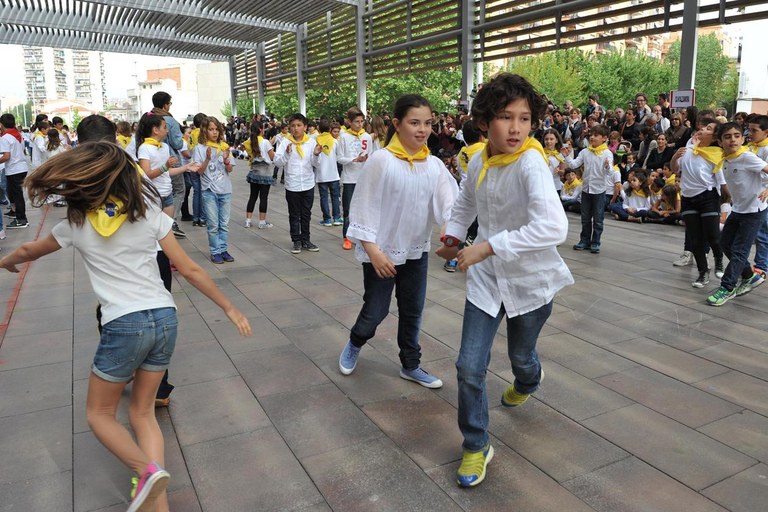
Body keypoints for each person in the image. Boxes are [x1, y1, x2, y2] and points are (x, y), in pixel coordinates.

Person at [0, 142, 252, 512]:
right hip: (165, 318)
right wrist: (229, 308)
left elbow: (28, 252)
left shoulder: (76, 221)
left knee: (99, 415)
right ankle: (157, 502)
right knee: (143, 413)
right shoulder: (147, 210)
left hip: (123, 324)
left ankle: (144, 470)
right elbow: (191, 268)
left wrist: (5, 261)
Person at [435, 73, 572, 488]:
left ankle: (529, 380)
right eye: (505, 117)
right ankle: (476, 444)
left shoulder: (531, 162)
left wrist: (488, 246)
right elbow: (463, 204)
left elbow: (554, 227)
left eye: (525, 119)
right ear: (483, 122)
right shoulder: (479, 160)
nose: (515, 128)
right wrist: (453, 237)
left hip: (530, 283)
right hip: (485, 283)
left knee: (521, 359)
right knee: (468, 366)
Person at [338, 94, 458, 389]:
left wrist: (449, 233)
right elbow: (363, 206)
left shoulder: (433, 165)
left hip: (416, 251)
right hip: (382, 252)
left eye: (428, 123)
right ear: (397, 124)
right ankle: (355, 341)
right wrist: (373, 251)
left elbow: (450, 203)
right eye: (414, 122)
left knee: (412, 310)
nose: (422, 129)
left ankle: (411, 364)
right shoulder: (382, 160)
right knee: (376, 311)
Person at [705, 123, 768, 305]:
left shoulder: (747, 157)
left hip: (754, 210)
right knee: (725, 243)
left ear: (742, 139)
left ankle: (727, 287)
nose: (732, 139)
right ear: (720, 141)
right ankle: (749, 276)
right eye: (727, 136)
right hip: (738, 209)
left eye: (736, 135)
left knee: (740, 250)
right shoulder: (724, 158)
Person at [671, 117, 727, 287]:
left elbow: (722, 181)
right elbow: (675, 169)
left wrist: (727, 198)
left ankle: (718, 258)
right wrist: (675, 156)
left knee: (712, 235)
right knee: (695, 239)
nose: (703, 129)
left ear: (715, 137)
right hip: (688, 198)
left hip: (708, 198)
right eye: (704, 127)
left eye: (709, 129)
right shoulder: (688, 149)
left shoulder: (716, 154)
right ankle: (703, 272)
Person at [273, 113, 321, 254]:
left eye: (299, 125)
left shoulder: (311, 142)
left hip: (307, 183)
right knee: (294, 214)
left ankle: (306, 240)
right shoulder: (285, 142)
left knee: (306, 214)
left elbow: (315, 164)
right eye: (293, 126)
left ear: (305, 127)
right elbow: (277, 162)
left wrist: (317, 154)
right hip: (292, 184)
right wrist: (287, 154)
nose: (296, 129)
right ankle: (296, 241)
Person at [563, 124, 614, 253]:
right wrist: (567, 156)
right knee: (585, 218)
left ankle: (595, 242)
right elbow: (574, 164)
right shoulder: (585, 151)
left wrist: (608, 166)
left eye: (596, 135)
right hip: (586, 189)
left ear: (604, 138)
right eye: (591, 135)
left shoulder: (607, 153)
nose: (592, 137)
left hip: (599, 191)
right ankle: (584, 240)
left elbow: (610, 173)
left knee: (598, 219)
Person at [192, 116, 236, 263]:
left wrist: (226, 160)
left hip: (225, 190)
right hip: (209, 191)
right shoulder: (199, 148)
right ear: (204, 131)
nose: (214, 132)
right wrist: (207, 158)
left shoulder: (224, 146)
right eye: (211, 129)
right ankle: (215, 251)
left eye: (217, 129)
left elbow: (229, 169)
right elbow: (199, 172)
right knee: (213, 224)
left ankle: (223, 250)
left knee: (224, 224)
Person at [150, 92, 187, 239]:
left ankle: (158, 220)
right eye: (170, 103)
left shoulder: (148, 118)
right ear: (166, 105)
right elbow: (177, 143)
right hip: (171, 160)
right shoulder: (170, 121)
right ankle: (170, 221)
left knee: (159, 191)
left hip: (152, 161)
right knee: (178, 190)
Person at [338, 107, 373, 250]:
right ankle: (346, 237)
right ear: (349, 122)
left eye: (362, 121)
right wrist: (354, 159)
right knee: (348, 209)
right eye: (356, 122)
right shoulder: (344, 137)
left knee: (365, 208)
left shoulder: (367, 137)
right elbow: (339, 158)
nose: (360, 124)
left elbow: (371, 155)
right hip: (349, 178)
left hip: (364, 178)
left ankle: (363, 236)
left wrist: (367, 159)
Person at [0, 113, 30, 235]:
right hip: (21, 167)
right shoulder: (17, 135)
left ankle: (22, 219)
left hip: (14, 169)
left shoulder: (5, 137)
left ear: (1, 124)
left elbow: (7, 156)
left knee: (17, 196)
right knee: (15, 194)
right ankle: (18, 216)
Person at [243, 120, 276, 229]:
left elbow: (250, 155)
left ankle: (248, 221)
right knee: (263, 197)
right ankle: (262, 222)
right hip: (265, 173)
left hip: (254, 172)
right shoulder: (265, 142)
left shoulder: (248, 142)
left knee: (253, 196)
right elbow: (272, 157)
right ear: (261, 130)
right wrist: (271, 145)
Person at [747, 115, 768, 277]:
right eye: (749, 129)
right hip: (750, 196)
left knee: (762, 233)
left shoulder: (766, 149)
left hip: (764, 196)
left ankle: (762, 265)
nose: (750, 133)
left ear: (766, 132)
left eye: (754, 130)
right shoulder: (749, 148)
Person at [314, 119, 342, 227]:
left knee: (324, 197)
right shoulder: (334, 141)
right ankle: (337, 218)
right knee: (335, 197)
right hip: (333, 174)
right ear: (330, 129)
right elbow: (338, 157)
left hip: (322, 175)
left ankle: (326, 219)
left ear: (318, 129)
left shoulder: (316, 141)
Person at [542, 128, 565, 196]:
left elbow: (563, 172)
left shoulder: (560, 155)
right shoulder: (540, 153)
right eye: (546, 139)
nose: (549, 141)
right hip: (542, 186)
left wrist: (559, 171)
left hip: (555, 186)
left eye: (551, 139)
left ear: (556, 140)